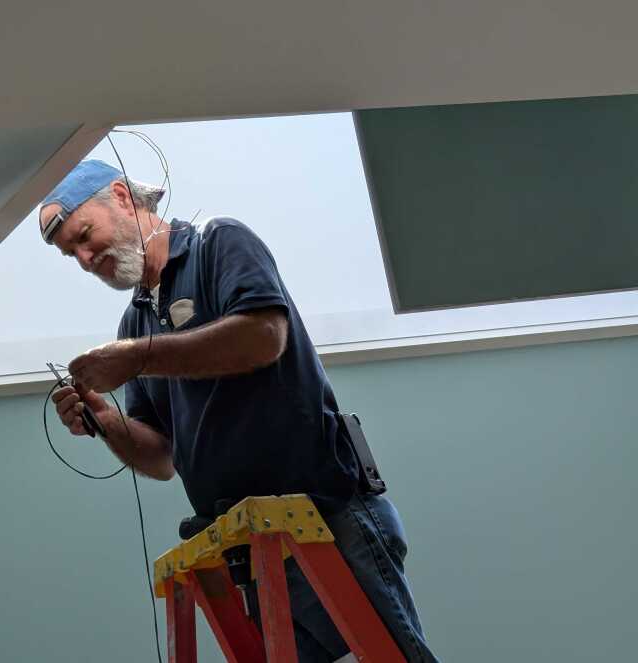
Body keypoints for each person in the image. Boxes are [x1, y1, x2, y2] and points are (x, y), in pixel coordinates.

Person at [42, 159, 439, 662]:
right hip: (252, 544)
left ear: (122, 197)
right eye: (70, 253)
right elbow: (160, 458)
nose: (83, 258)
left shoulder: (218, 243)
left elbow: (263, 336)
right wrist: (108, 421)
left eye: (83, 235)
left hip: (327, 516)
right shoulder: (134, 323)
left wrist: (139, 357)